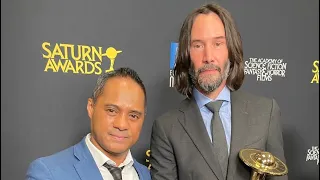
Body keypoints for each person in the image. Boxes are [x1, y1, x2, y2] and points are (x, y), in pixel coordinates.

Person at [150, 3, 287, 180]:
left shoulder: (266, 113)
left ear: (230, 49)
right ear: (185, 53)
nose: (208, 57)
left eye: (217, 43)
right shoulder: (166, 128)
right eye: (198, 45)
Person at [26, 67, 151, 180]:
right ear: (91, 108)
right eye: (112, 111)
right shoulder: (48, 173)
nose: (122, 124)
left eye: (133, 116)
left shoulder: (147, 175)